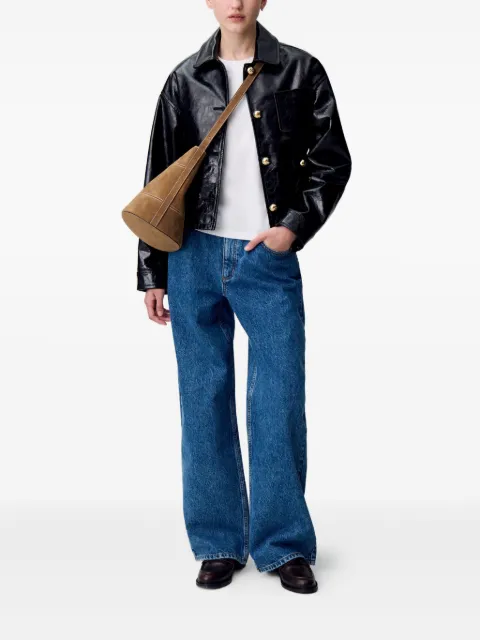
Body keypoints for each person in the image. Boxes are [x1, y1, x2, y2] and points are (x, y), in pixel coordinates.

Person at [137, 1, 351, 594]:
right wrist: (153, 269)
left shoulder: (301, 71)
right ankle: (217, 543)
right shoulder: (184, 78)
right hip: (193, 255)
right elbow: (159, 178)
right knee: (202, 399)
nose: (235, 1)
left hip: (267, 258)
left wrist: (292, 228)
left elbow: (331, 161)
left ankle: (283, 546)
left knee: (277, 400)